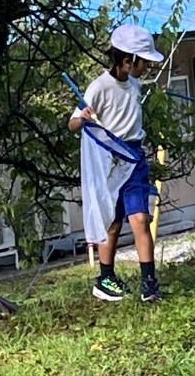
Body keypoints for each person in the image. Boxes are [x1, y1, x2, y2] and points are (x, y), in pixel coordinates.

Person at [67, 23, 164, 302]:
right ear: (127, 60)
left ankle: (149, 282)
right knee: (112, 222)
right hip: (110, 162)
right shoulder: (99, 86)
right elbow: (72, 123)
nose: (146, 66)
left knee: (140, 218)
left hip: (133, 158)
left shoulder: (133, 84)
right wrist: (82, 117)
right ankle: (105, 277)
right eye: (143, 61)